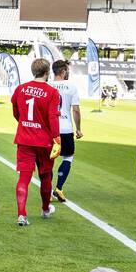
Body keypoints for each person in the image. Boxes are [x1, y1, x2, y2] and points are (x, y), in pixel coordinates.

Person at [11, 58, 61, 227]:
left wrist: (24, 123)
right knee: (45, 176)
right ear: (47, 73)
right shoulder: (52, 92)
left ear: (33, 71)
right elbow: (53, 117)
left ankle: (21, 214)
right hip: (44, 141)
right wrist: (57, 138)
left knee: (24, 177)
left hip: (25, 139)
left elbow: (15, 111)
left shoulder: (20, 89)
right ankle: (46, 209)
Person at [50, 60, 82, 203]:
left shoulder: (47, 85)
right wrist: (79, 129)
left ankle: (47, 190)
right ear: (63, 71)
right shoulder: (72, 87)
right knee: (67, 157)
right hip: (65, 129)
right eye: (67, 70)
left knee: (48, 160)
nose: (68, 73)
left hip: (50, 129)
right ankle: (59, 188)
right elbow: (75, 109)